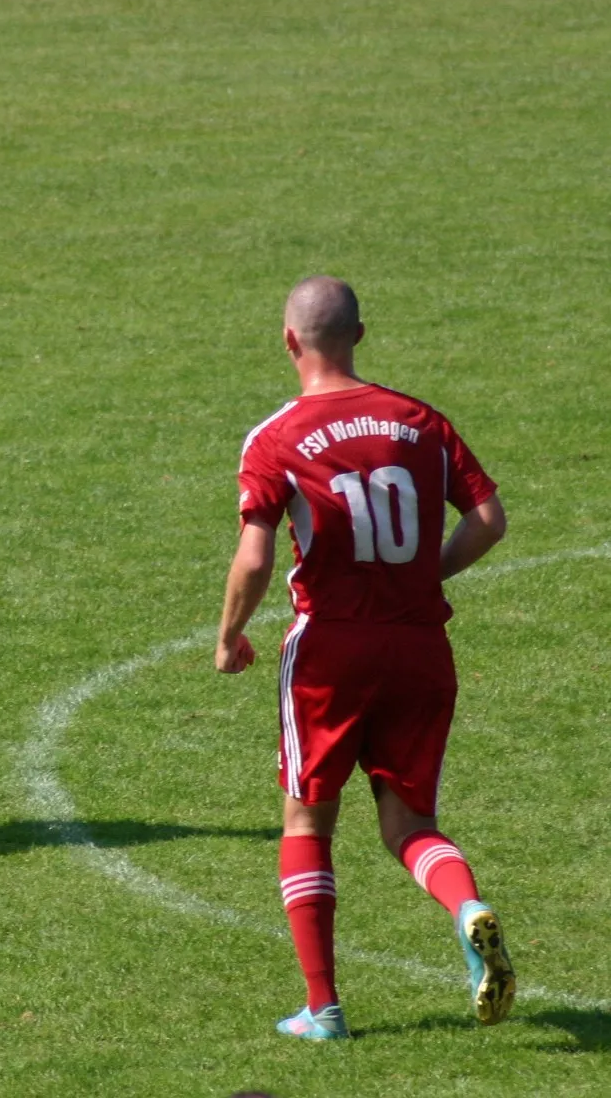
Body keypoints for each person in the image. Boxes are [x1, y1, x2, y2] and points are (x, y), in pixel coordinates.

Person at [215, 276, 515, 1039]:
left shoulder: (278, 436)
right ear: (361, 333)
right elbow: (488, 519)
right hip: (420, 645)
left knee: (308, 822)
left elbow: (253, 559)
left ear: (289, 341)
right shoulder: (420, 420)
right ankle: (467, 907)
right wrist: (426, 573)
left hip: (331, 649)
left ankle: (324, 1008)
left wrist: (229, 636)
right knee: (409, 820)